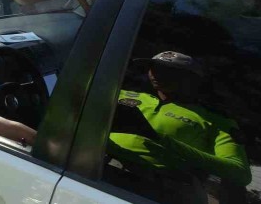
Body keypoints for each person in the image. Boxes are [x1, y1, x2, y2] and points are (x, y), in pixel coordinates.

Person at [0, 51, 252, 192]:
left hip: (150, 188)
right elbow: (38, 138)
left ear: (193, 81)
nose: (157, 78)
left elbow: (239, 172)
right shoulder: (132, 97)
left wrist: (158, 141)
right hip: (84, 168)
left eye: (170, 74)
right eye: (155, 71)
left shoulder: (213, 121)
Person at [107, 51, 251, 194]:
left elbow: (240, 172)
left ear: (192, 78)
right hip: (100, 165)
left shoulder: (216, 120)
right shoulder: (120, 93)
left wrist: (162, 141)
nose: (156, 73)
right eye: (153, 67)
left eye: (168, 70)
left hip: (162, 188)